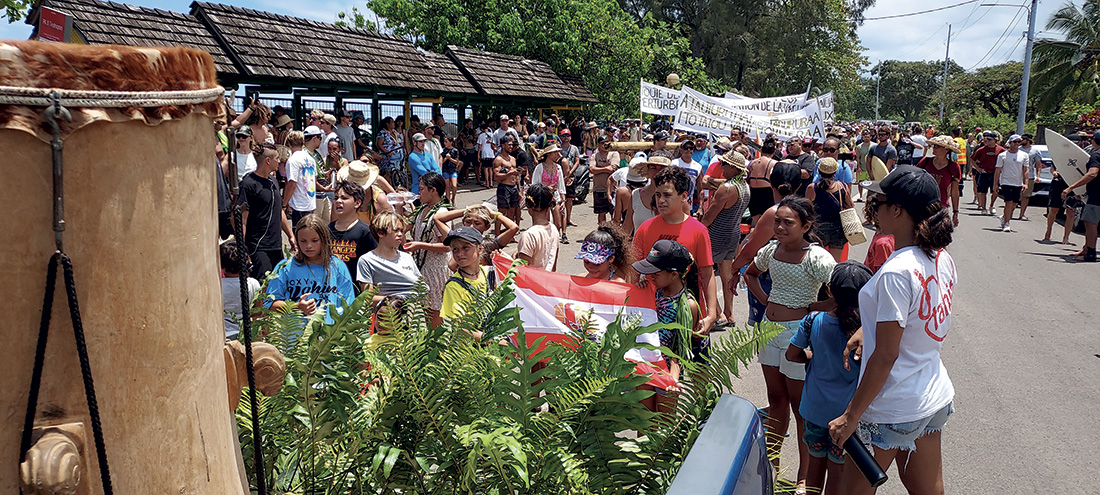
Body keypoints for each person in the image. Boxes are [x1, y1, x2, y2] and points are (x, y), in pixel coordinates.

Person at [828, 165, 957, 495]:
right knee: (928, 489)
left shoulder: (896, 271)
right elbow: (917, 319)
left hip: (892, 405)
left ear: (896, 210)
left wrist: (851, 416)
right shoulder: (940, 257)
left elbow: (887, 354)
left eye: (878, 202)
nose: (873, 209)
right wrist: (869, 328)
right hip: (932, 395)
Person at [743, 196, 836, 492]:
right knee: (776, 402)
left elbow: (843, 294)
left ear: (806, 226)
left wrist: (813, 308)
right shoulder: (771, 250)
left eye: (788, 222)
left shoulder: (817, 258)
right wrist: (767, 301)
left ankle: (803, 478)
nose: (780, 227)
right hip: (768, 332)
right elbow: (750, 273)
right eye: (777, 221)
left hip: (799, 336)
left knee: (800, 409)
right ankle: (772, 466)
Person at [786, 261, 873, 495]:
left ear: (829, 290)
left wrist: (811, 356)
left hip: (814, 410)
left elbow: (792, 354)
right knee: (837, 471)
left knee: (814, 467)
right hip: (845, 415)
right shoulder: (866, 333)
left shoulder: (813, 320)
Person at [633, 166, 719, 336]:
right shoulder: (645, 229)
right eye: (658, 195)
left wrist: (711, 314)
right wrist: (635, 285)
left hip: (689, 314)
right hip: (652, 313)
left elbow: (707, 274)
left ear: (684, 196)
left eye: (667, 195)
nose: (661, 200)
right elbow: (633, 270)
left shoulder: (698, 230)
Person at [632, 239, 702, 403]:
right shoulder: (653, 292)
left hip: (668, 370)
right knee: (644, 416)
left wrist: (673, 378)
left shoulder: (688, 305)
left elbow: (680, 347)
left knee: (665, 418)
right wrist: (640, 291)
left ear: (674, 274)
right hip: (645, 365)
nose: (650, 276)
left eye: (655, 273)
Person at [265, 215, 356, 325]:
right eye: (303, 241)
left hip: (329, 332)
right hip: (293, 333)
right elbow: (269, 303)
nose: (309, 246)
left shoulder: (338, 266)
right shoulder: (285, 267)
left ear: (324, 239)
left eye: (314, 240)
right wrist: (296, 307)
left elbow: (348, 305)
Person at [701, 150, 750, 328]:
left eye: (724, 164)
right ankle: (730, 313)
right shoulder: (745, 187)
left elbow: (709, 217)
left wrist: (698, 227)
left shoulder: (727, 188)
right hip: (733, 233)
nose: (721, 167)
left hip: (716, 234)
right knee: (726, 274)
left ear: (733, 168)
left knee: (704, 273)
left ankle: (719, 313)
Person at [239, 143, 295, 278]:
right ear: (268, 161)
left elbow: (279, 211)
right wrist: (242, 248)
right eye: (277, 158)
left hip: (276, 246)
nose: (279, 161)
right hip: (258, 247)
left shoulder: (273, 181)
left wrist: (290, 235)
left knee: (279, 284)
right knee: (263, 286)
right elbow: (242, 219)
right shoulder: (248, 184)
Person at [405, 172, 452, 327]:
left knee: (435, 313)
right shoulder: (422, 209)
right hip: (423, 268)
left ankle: (437, 341)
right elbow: (403, 228)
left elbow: (447, 246)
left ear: (433, 190)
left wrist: (420, 245)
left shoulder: (441, 213)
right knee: (426, 312)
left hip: (436, 269)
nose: (419, 193)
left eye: (422, 189)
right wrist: (399, 207)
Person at [440, 226, 496, 333]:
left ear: (479, 249)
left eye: (465, 247)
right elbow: (460, 329)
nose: (459, 253)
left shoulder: (491, 273)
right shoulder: (454, 285)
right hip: (473, 342)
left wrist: (503, 259)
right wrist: (491, 339)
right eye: (455, 249)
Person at [434, 205, 520, 270]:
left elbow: (514, 227)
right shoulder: (455, 238)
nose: (471, 226)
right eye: (468, 222)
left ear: (487, 227)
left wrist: (494, 215)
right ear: (463, 222)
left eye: (477, 223)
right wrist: (468, 210)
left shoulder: (489, 244)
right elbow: (437, 218)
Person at [327, 180, 376, 293]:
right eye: (336, 198)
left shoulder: (365, 232)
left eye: (344, 198)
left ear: (357, 203)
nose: (338, 201)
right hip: (329, 289)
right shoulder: (326, 230)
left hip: (354, 292)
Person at [1060, 130, 1100, 262]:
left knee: (1090, 223)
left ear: (1094, 140)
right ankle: (1086, 249)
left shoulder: (1096, 155)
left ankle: (1090, 254)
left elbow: (1092, 173)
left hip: (1096, 196)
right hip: (1094, 194)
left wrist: (1071, 187)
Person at [806, 158, 854, 260]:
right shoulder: (842, 186)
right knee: (834, 262)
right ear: (835, 172)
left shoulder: (812, 188)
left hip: (818, 228)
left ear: (819, 171)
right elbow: (850, 205)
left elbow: (806, 209)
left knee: (817, 260)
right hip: (838, 228)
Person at [915, 135, 962, 227]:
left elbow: (955, 192)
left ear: (946, 149)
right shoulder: (925, 162)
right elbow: (914, 181)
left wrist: (955, 212)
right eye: (934, 145)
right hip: (922, 205)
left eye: (937, 146)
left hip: (941, 207)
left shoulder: (954, 167)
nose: (934, 148)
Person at [220, 237, 260, 340]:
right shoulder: (253, 284)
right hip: (246, 334)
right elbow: (258, 313)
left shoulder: (218, 286)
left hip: (224, 334)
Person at [515, 183, 560, 271]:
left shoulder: (529, 235)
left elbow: (521, 270)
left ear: (529, 207)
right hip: (547, 278)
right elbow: (553, 266)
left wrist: (513, 258)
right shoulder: (554, 229)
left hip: (531, 279)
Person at [284, 127, 322, 225]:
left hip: (299, 205)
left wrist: (284, 203)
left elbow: (292, 183)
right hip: (310, 203)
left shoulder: (292, 160)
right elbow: (314, 179)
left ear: (289, 143)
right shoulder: (310, 159)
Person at [532, 143, 569, 243]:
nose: (557, 154)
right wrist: (546, 188)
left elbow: (561, 186)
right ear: (548, 154)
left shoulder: (558, 167)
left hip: (555, 197)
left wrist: (563, 201)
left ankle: (555, 239)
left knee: (558, 223)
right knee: (546, 221)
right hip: (543, 198)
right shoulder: (539, 167)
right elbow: (534, 185)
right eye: (555, 152)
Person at [995, 134, 1029, 232]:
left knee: (1014, 203)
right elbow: (998, 170)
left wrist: (1025, 183)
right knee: (1008, 202)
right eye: (1015, 142)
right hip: (1006, 181)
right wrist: (995, 184)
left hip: (1017, 182)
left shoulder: (1024, 155)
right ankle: (1007, 223)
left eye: (1019, 142)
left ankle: (1004, 216)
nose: (1017, 144)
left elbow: (1026, 170)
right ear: (1010, 143)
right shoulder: (1002, 155)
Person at [614, 157, 652, 235]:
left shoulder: (622, 192)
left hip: (627, 232)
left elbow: (617, 219)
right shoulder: (650, 192)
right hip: (646, 232)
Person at [1044, 165, 1079, 245]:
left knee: (1071, 212)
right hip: (1058, 183)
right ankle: (1048, 231)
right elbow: (1053, 166)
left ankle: (1066, 237)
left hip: (1073, 183)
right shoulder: (1060, 157)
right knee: (1054, 210)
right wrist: (1054, 172)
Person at [747, 140, 779, 225]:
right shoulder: (774, 163)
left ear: (761, 150)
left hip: (753, 192)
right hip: (767, 192)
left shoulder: (752, 163)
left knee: (756, 223)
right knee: (767, 222)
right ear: (774, 152)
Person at [973, 131, 1005, 215]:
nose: (988, 141)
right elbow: (972, 158)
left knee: (995, 190)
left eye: (991, 140)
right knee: (982, 191)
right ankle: (983, 208)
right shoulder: (981, 149)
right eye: (988, 139)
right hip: (984, 172)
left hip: (995, 173)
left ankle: (991, 206)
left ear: (995, 140)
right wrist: (977, 168)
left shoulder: (1001, 150)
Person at [494, 135, 523, 229]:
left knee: (512, 211)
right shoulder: (498, 160)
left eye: (512, 145)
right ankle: (497, 234)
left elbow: (516, 176)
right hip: (504, 187)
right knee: (501, 212)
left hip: (513, 187)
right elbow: (496, 176)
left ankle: (509, 232)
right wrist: (509, 174)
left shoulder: (513, 159)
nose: (511, 146)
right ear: (503, 145)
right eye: (509, 145)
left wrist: (519, 190)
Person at [590, 136, 621, 223]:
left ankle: (613, 230)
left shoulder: (614, 153)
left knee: (614, 213)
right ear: (598, 145)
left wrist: (598, 169)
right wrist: (606, 169)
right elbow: (591, 169)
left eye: (606, 143)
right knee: (601, 213)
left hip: (612, 189)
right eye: (602, 143)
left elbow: (613, 168)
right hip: (598, 188)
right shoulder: (595, 155)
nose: (605, 145)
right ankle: (602, 229)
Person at [673, 140, 704, 214]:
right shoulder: (673, 164)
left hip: (688, 205)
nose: (689, 150)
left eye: (691, 148)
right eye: (686, 148)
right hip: (673, 203)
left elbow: (700, 190)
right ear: (681, 150)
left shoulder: (698, 167)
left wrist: (700, 208)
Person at [1017, 133, 1042, 221]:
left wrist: (1038, 176)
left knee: (1026, 196)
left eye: (1023, 139)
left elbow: (1038, 164)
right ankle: (1009, 212)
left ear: (1028, 140)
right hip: (1017, 175)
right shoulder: (1018, 149)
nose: (1021, 141)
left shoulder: (1035, 151)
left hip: (1029, 176)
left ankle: (1022, 214)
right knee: (1015, 195)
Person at [560, 128, 581, 227]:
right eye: (564, 136)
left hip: (571, 177)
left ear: (570, 137)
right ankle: (560, 219)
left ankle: (568, 218)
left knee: (570, 199)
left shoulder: (574, 148)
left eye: (567, 135)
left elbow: (577, 161)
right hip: (560, 175)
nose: (566, 137)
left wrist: (570, 173)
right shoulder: (558, 148)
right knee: (560, 198)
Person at [440, 135, 461, 204]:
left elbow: (456, 162)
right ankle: (448, 201)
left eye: (446, 141)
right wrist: (446, 158)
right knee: (447, 187)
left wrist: (450, 158)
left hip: (453, 170)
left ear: (451, 142)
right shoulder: (443, 150)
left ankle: (453, 198)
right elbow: (441, 162)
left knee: (454, 186)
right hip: (445, 170)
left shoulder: (455, 150)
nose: (445, 143)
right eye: (444, 141)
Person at [477, 121, 496, 187]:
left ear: (482, 129)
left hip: (484, 153)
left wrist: (478, 154)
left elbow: (479, 146)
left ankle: (487, 183)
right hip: (491, 153)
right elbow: (494, 144)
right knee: (490, 168)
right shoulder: (492, 135)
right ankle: (491, 182)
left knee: (485, 168)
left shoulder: (481, 135)